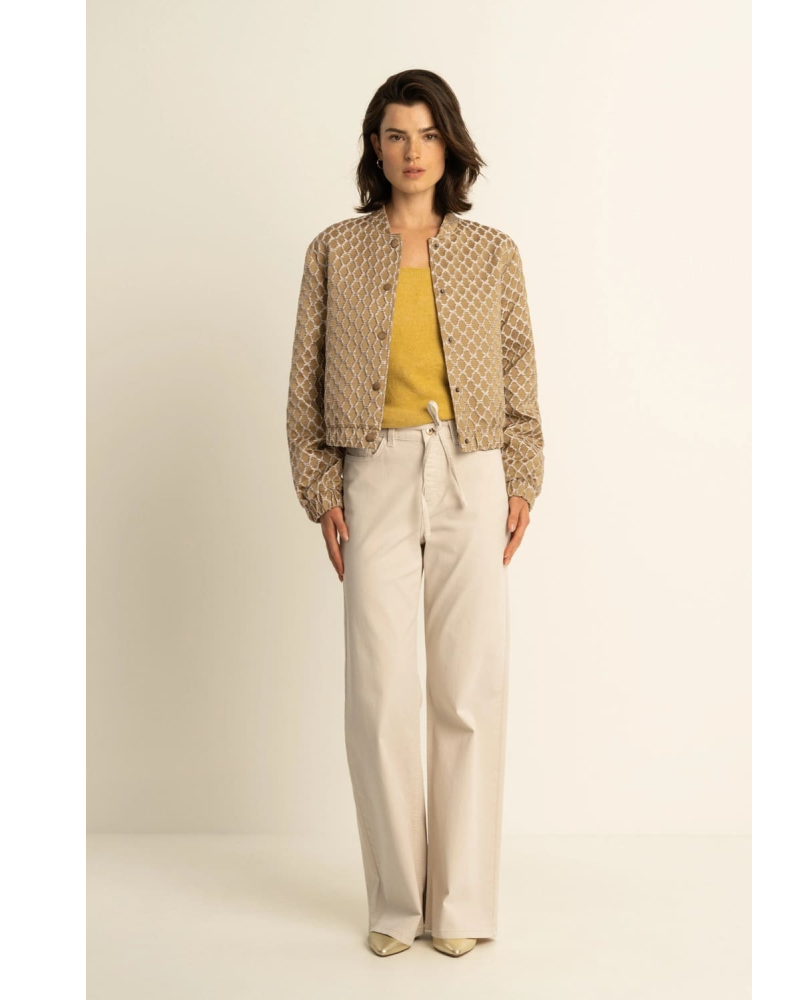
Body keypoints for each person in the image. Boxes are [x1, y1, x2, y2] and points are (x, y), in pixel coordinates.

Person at [285, 69, 544, 958]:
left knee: (468, 689)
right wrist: (321, 488)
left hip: (471, 468)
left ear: (450, 146)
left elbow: (519, 367)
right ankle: (399, 904)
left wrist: (522, 477)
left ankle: (460, 907)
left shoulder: (492, 253)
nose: (412, 152)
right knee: (379, 692)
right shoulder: (334, 250)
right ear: (375, 146)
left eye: (428, 135)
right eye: (396, 134)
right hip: (374, 470)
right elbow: (305, 381)